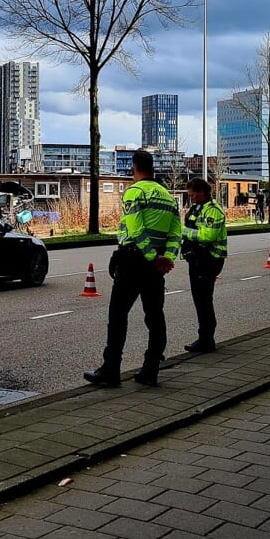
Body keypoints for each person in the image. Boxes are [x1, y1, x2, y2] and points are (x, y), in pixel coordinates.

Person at [85, 150, 182, 388]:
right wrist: (166, 259)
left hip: (133, 261)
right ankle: (150, 370)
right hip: (156, 267)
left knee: (118, 316)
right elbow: (175, 234)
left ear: (134, 167)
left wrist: (150, 256)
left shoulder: (134, 192)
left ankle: (111, 370)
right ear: (153, 168)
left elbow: (136, 229)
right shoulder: (168, 197)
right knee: (155, 317)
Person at [181, 178, 228, 354]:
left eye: (193, 194)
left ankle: (206, 340)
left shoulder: (213, 211)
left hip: (209, 259)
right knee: (200, 300)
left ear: (202, 192)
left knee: (204, 300)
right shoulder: (197, 208)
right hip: (197, 259)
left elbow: (208, 236)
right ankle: (204, 338)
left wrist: (183, 232)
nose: (191, 197)